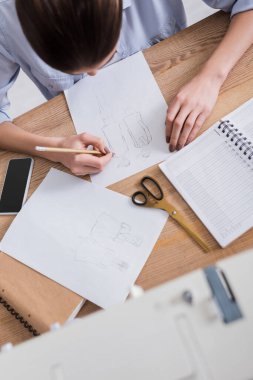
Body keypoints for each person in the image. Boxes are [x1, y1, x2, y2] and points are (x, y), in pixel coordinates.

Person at [0, 0, 252, 176]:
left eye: (104, 57)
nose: (94, 75)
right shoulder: (4, 17)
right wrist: (52, 148)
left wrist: (211, 77)